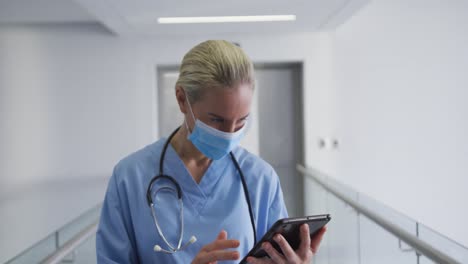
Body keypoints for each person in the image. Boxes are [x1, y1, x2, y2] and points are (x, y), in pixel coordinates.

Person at [96, 40, 326, 263]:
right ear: (182, 100)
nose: (229, 134)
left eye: (241, 122)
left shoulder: (260, 179)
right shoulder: (130, 177)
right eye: (216, 120)